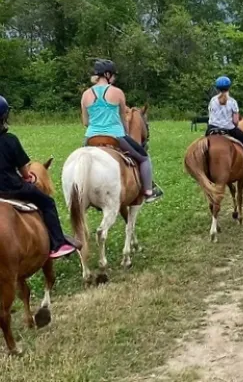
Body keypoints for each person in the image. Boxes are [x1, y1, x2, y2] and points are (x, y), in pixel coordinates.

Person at [0, 96, 79, 258]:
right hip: (12, 190)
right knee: (48, 203)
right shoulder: (10, 140)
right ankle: (58, 243)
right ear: (3, 117)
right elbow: (24, 172)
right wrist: (30, 177)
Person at [81, 59, 163, 203]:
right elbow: (123, 118)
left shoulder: (85, 95)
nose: (114, 78)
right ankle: (149, 191)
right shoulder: (117, 92)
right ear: (107, 74)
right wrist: (125, 132)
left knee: (81, 162)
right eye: (113, 75)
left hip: (91, 138)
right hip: (115, 136)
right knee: (144, 158)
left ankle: (81, 191)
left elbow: (85, 122)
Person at [207, 76, 243, 173]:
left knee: (204, 145)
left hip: (211, 128)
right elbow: (236, 121)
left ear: (217, 88)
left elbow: (211, 115)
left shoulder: (212, 100)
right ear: (229, 87)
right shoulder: (232, 102)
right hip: (228, 129)